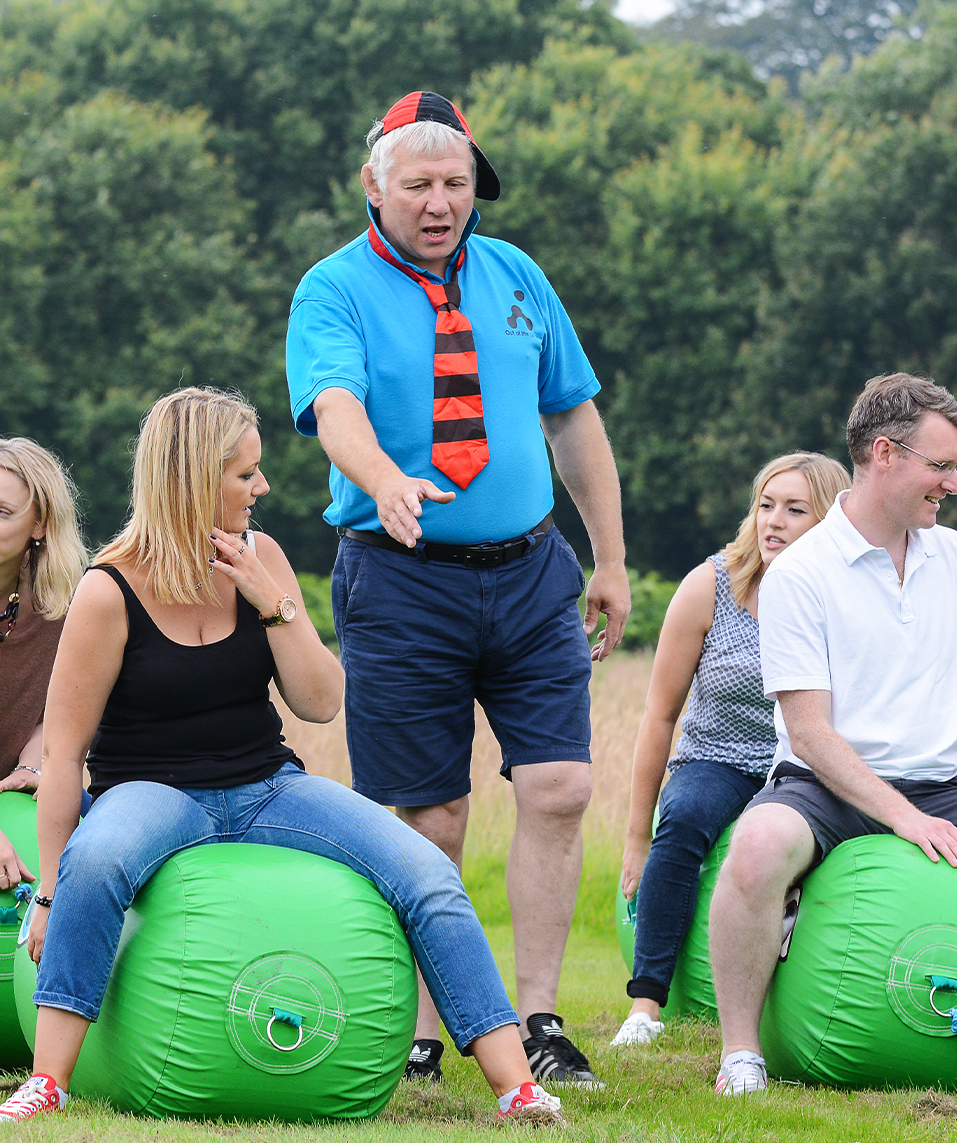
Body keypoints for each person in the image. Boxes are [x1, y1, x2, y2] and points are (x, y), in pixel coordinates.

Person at [0, 388, 562, 1126]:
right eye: (245, 474)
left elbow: (322, 700)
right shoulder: (109, 589)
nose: (261, 487)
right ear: (196, 478)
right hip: (150, 790)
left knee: (427, 870)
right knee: (98, 862)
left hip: (267, 785)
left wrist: (274, 603)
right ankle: (48, 1081)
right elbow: (66, 753)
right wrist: (50, 892)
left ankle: (517, 1087)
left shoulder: (262, 556)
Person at [286, 91, 631, 1085]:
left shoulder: (518, 275)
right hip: (400, 582)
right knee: (430, 816)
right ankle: (427, 1030)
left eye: (457, 182)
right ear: (374, 186)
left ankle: (541, 1020)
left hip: (532, 573)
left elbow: (573, 418)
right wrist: (387, 478)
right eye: (420, 184)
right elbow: (333, 402)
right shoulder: (334, 289)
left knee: (561, 788)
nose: (441, 202)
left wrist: (607, 556)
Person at [709, 372, 957, 1097]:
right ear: (885, 453)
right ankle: (741, 1053)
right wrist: (907, 821)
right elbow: (810, 732)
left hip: (944, 785)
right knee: (756, 847)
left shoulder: (956, 556)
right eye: (942, 467)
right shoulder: (801, 574)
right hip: (823, 787)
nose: (954, 484)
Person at [611, 453, 850, 1048]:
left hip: (803, 766)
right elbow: (660, 716)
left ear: (829, 520)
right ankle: (645, 1006)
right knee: (687, 817)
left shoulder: (849, 595)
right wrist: (638, 835)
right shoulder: (712, 584)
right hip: (719, 757)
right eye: (766, 505)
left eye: (795, 510)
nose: (773, 521)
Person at [0, 437, 87, 890]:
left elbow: (67, 709)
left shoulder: (64, 602)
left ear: (40, 525)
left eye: (1, 512)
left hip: (16, 795)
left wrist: (37, 765)